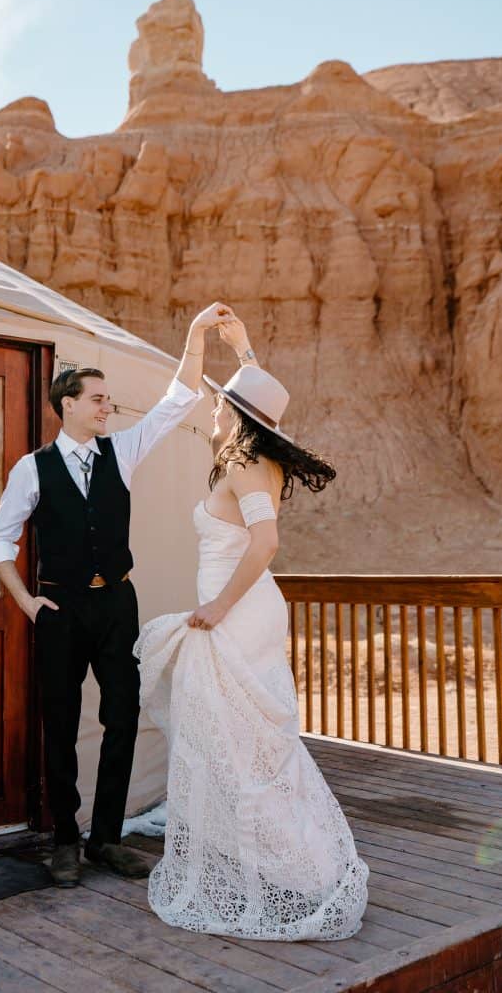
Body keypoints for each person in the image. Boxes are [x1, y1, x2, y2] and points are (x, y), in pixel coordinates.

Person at [0, 303, 235, 887]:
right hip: (60, 609)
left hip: (118, 605)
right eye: (97, 399)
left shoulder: (123, 450)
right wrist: (26, 602)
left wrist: (196, 334)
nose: (107, 408)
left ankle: (106, 840)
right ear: (67, 404)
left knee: (122, 716)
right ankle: (65, 841)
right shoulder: (32, 469)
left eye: (109, 401)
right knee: (60, 722)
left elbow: (177, 400)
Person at [134, 314, 369, 940]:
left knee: (239, 747)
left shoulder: (242, 465)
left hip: (238, 613)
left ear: (236, 416)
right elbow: (258, 404)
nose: (212, 411)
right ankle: (283, 866)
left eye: (220, 404)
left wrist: (217, 607)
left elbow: (265, 542)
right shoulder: (258, 461)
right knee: (253, 746)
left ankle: (290, 872)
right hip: (251, 609)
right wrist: (243, 351)